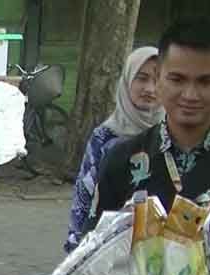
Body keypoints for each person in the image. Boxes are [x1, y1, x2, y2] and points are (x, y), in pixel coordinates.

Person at [90, 17, 210, 275]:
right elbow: (92, 256)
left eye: (205, 81)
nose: (190, 94)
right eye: (177, 79)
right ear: (159, 78)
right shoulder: (122, 160)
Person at [65, 46, 163, 252]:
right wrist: (76, 245)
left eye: (158, 80)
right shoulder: (106, 136)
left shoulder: (173, 135)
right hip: (108, 248)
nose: (150, 88)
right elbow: (85, 192)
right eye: (142, 78)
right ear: (127, 81)